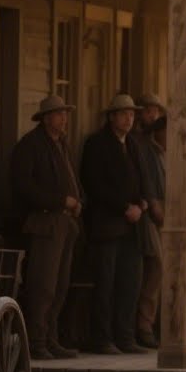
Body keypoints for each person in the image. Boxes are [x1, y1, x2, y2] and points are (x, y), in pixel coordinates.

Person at [9, 95, 83, 360]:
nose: (64, 119)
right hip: (44, 222)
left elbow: (72, 178)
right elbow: (24, 186)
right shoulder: (30, 145)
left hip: (65, 221)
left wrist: (77, 203)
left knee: (61, 284)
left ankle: (51, 338)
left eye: (65, 113)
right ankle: (37, 341)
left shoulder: (61, 144)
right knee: (43, 284)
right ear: (46, 118)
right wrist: (60, 200)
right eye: (59, 114)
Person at [80, 94, 148, 355]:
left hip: (132, 227)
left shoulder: (133, 144)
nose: (129, 119)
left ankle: (125, 337)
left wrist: (141, 203)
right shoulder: (97, 144)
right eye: (123, 114)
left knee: (130, 284)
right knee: (105, 284)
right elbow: (93, 183)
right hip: (107, 225)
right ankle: (102, 339)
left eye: (131, 114)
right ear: (111, 117)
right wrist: (123, 207)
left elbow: (140, 179)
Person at [133, 103, 167, 350]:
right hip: (151, 213)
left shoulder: (167, 154)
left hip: (167, 213)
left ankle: (156, 325)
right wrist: (154, 204)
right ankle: (144, 325)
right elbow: (147, 180)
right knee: (155, 267)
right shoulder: (146, 149)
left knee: (163, 272)